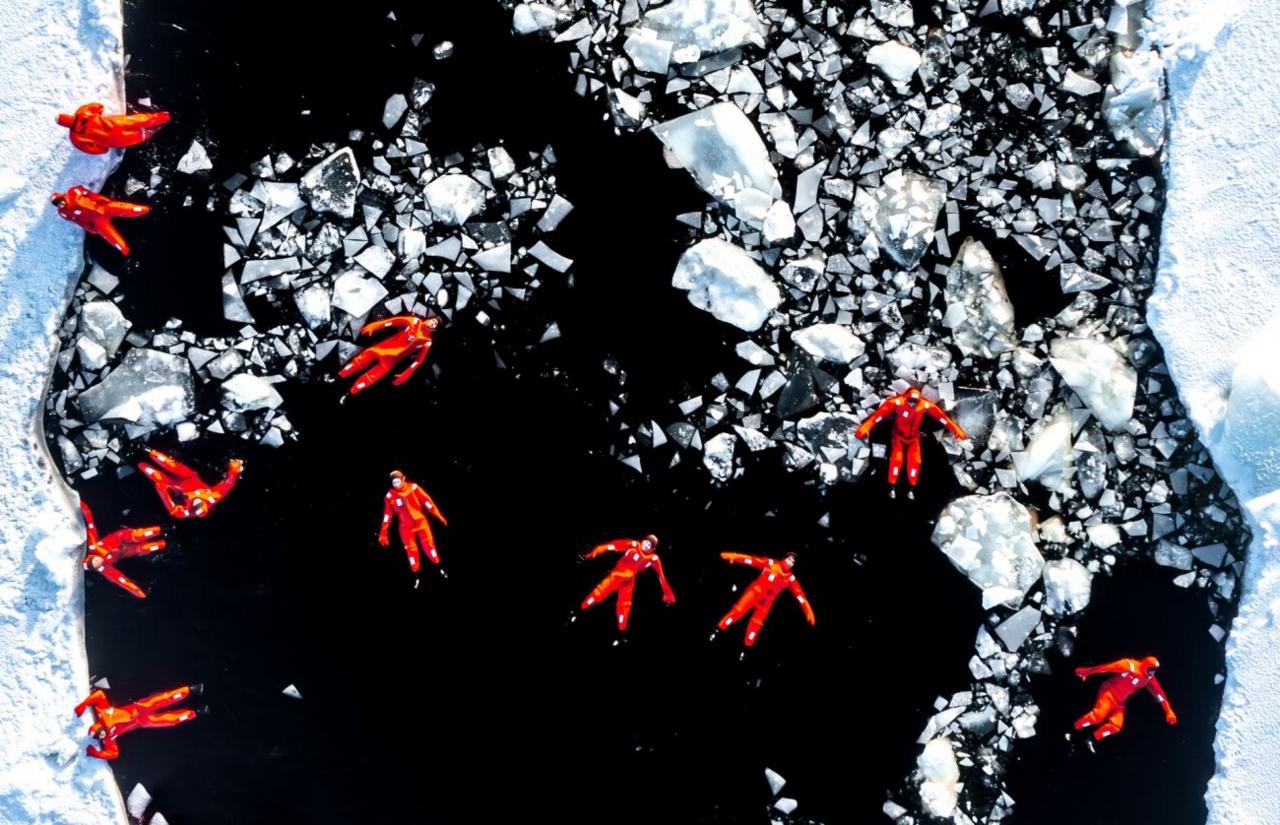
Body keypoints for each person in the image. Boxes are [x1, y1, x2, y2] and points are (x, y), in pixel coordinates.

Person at [854, 387, 967, 496]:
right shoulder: (897, 403)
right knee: (896, 460)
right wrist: (866, 427)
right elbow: (878, 416)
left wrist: (955, 429)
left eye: (915, 402)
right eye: (910, 401)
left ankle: (911, 487)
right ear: (906, 398)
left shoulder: (924, 405)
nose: (912, 404)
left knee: (915, 461)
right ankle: (892, 485)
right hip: (898, 436)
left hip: (913, 437)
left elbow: (941, 418)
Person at [75, 684, 204, 760]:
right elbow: (114, 753)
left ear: (99, 728)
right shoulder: (108, 739)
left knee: (166, 698)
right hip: (144, 721)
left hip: (140, 707)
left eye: (99, 733)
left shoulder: (102, 713)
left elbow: (100, 695)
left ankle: (192, 689)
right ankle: (197, 712)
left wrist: (84, 704)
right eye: (99, 736)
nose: (101, 735)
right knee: (171, 720)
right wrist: (96, 753)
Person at [715, 552, 815, 647]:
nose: (790, 562)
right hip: (754, 593)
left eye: (792, 562)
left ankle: (746, 647)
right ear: (784, 559)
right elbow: (751, 560)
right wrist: (734, 556)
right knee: (738, 611)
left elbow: (800, 596)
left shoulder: (790, 579)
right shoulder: (771, 564)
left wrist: (808, 611)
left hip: (766, 603)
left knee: (756, 625)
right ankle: (719, 629)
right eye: (789, 559)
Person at [579, 535, 676, 631]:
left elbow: (661, 577)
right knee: (599, 593)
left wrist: (668, 594)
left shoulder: (653, 559)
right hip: (616, 576)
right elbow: (612, 546)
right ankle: (580, 609)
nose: (645, 545)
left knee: (625, 606)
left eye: (649, 545)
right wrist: (591, 554)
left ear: (652, 548)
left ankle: (621, 631)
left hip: (629, 582)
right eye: (646, 542)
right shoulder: (633, 545)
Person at [1074, 656, 1178, 741]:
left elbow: (1159, 694)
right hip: (1109, 693)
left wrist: (1169, 711)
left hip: (1120, 702)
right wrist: (1085, 672)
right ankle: (1074, 729)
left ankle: (1091, 739)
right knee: (1097, 717)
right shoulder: (1130, 666)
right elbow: (1107, 667)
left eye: (1154, 671)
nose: (1152, 673)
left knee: (1116, 726)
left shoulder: (1148, 679)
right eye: (1151, 670)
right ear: (1145, 666)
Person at [80, 501, 166, 599]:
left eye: (95, 560)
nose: (98, 561)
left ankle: (162, 529)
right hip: (126, 551)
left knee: (140, 535)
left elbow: (90, 523)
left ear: (93, 556)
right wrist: (139, 593)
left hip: (123, 537)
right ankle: (165, 543)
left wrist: (82, 505)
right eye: (96, 565)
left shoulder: (93, 545)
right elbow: (123, 582)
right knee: (145, 548)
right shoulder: (106, 569)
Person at [339, 314, 440, 396]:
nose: (433, 323)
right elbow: (393, 321)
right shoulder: (414, 321)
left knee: (370, 379)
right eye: (433, 320)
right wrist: (375, 326)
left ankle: (348, 394)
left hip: (390, 361)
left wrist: (407, 373)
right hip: (380, 349)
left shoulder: (427, 341)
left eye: (436, 324)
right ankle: (338, 377)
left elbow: (418, 361)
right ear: (429, 319)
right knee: (357, 362)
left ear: (435, 329)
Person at [137, 449, 243, 519]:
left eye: (195, 507)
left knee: (156, 476)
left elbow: (173, 510)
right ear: (206, 505)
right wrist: (234, 470)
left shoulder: (186, 512)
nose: (196, 502)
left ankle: (136, 461)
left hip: (175, 486)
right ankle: (146, 449)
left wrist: (162, 491)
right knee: (170, 464)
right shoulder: (213, 497)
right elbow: (229, 484)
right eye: (200, 504)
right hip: (188, 476)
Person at [378, 470, 447, 573]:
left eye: (398, 481)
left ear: (403, 479)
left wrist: (438, 515)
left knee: (429, 545)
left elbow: (427, 502)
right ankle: (416, 574)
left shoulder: (413, 488)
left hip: (421, 523)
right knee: (411, 551)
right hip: (405, 528)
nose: (396, 485)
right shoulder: (390, 496)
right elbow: (387, 515)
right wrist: (384, 531)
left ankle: (439, 567)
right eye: (394, 483)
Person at [51, 186, 150, 256]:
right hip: (96, 220)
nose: (60, 204)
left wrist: (100, 198)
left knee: (124, 208)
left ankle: (146, 209)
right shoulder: (64, 213)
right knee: (110, 235)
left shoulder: (73, 191)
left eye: (60, 201)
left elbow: (88, 193)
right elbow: (78, 221)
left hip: (102, 207)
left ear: (62, 196)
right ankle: (125, 250)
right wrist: (88, 228)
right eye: (57, 204)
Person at [57, 103, 171, 154]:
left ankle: (157, 130)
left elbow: (95, 150)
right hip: (118, 123)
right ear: (68, 116)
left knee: (143, 135)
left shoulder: (76, 138)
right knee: (146, 119)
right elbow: (99, 106)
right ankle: (167, 116)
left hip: (115, 140)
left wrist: (104, 148)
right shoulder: (82, 112)